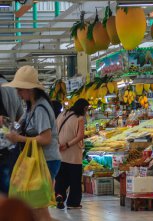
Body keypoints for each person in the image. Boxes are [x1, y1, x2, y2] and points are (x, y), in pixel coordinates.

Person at [4, 66, 61, 221]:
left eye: (20, 90)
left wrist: (20, 139)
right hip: (37, 161)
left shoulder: (41, 108)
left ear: (29, 89)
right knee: (33, 208)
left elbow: (46, 138)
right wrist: (6, 121)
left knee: (39, 210)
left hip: (46, 161)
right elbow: (19, 126)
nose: (18, 94)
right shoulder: (32, 107)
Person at [55, 98, 89, 210]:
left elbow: (54, 130)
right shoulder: (79, 119)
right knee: (74, 180)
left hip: (60, 152)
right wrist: (68, 145)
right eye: (87, 109)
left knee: (61, 178)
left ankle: (59, 195)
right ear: (84, 108)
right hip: (73, 154)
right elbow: (80, 136)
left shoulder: (62, 114)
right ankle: (73, 203)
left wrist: (59, 144)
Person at [0, 74, 23, 195]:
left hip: (2, 144)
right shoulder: (14, 90)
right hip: (12, 144)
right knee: (10, 179)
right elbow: (21, 117)